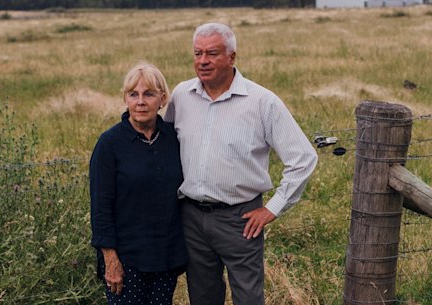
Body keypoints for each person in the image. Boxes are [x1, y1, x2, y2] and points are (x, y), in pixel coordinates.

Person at [164, 23, 318, 305]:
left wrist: (272, 208)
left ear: (232, 57)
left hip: (241, 219)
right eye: (198, 53)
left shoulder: (262, 102)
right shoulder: (181, 96)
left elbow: (303, 158)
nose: (203, 61)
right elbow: (165, 148)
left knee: (248, 297)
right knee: (202, 296)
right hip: (190, 217)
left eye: (212, 53)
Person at [90, 62, 188, 305]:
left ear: (162, 99)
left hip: (165, 257)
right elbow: (100, 207)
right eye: (133, 94)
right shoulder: (110, 144)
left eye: (149, 94)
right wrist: (110, 260)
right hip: (126, 260)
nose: (141, 101)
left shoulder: (173, 139)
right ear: (125, 99)